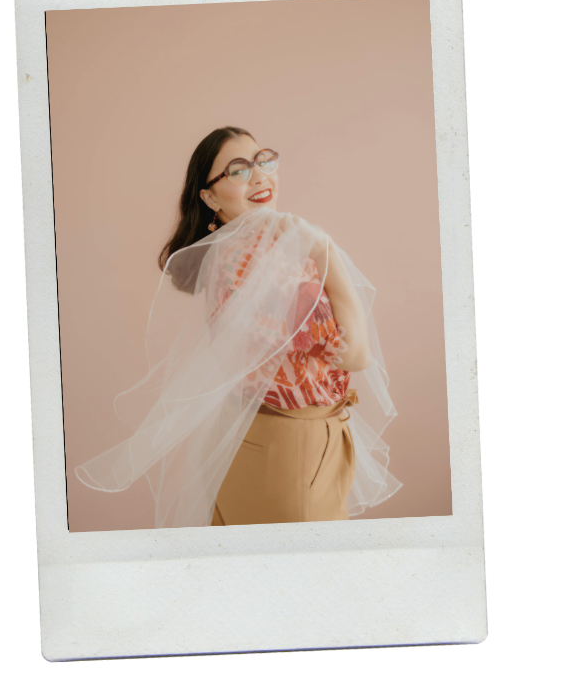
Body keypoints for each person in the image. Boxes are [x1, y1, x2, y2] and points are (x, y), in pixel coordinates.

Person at [76, 126, 402, 529]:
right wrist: (325, 251)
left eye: (262, 161)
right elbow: (354, 353)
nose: (260, 176)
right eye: (237, 170)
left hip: (263, 439)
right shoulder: (250, 263)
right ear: (210, 196)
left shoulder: (248, 251)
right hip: (288, 450)